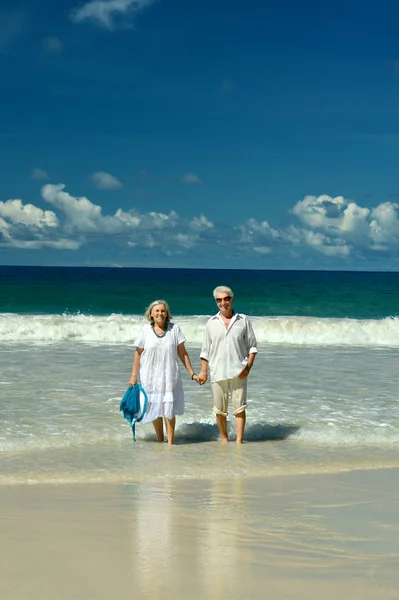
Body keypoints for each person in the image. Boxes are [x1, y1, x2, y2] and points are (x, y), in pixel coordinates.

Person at [129, 299, 200, 445]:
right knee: (155, 408)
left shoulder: (175, 329)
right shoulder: (145, 330)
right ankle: (160, 439)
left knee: (169, 408)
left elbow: (182, 353)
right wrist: (134, 376)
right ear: (151, 313)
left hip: (169, 374)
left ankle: (170, 442)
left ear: (167, 313)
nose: (160, 313)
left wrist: (192, 373)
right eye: (157, 310)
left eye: (163, 310)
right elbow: (138, 354)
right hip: (150, 376)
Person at [198, 286, 257, 444]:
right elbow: (205, 351)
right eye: (219, 300)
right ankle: (224, 439)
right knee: (219, 410)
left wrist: (249, 366)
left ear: (232, 299)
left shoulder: (243, 320)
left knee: (240, 408)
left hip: (239, 370)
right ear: (216, 301)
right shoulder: (211, 323)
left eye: (226, 299)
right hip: (217, 371)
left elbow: (252, 346)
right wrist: (203, 372)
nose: (223, 303)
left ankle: (239, 441)